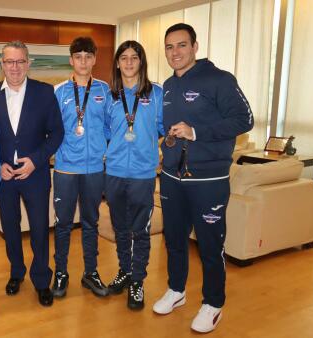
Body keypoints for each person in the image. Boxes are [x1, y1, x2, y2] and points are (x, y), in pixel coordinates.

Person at [153, 23, 253, 333]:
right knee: (175, 240)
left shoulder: (219, 80)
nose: (175, 53)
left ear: (195, 46)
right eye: (169, 47)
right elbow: (164, 128)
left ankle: (213, 303)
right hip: (171, 177)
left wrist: (197, 133)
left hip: (208, 180)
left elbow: (245, 119)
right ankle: (177, 290)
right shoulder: (167, 86)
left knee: (210, 245)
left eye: (181, 45)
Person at [0, 41, 64, 307]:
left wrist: (37, 161)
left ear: (28, 63)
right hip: (4, 176)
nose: (15, 67)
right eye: (9, 61)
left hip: (35, 175)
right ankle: (16, 272)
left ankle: (42, 280)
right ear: (2, 64)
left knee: (40, 229)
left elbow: (57, 133)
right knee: (10, 228)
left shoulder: (44, 92)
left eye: (20, 61)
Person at [104, 40, 164, 310]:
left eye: (134, 58)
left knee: (140, 231)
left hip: (142, 174)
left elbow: (164, 129)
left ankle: (138, 280)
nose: (129, 63)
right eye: (124, 58)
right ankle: (125, 271)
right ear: (117, 63)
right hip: (114, 172)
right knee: (120, 229)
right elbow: (106, 132)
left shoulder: (158, 94)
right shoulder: (110, 96)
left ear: (142, 62)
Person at [51, 36, 110, 298]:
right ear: (71, 60)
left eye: (88, 56)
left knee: (91, 222)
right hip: (65, 169)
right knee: (63, 224)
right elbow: (51, 130)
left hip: (95, 169)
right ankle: (61, 273)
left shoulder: (105, 90)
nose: (83, 61)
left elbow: (112, 127)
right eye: (78, 57)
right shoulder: (59, 91)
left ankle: (91, 272)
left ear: (94, 59)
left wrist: (106, 152)